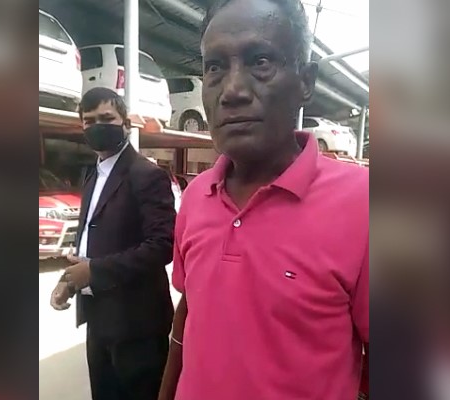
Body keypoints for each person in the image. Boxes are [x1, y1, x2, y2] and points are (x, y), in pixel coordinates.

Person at [157, 1, 369, 400]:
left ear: (306, 81)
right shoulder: (197, 196)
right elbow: (190, 314)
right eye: (215, 67)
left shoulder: (366, 205)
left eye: (261, 62)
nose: (232, 90)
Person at [50, 87, 176, 400]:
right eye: (90, 121)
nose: (98, 126)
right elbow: (89, 241)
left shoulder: (147, 175)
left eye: (106, 118)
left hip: (138, 327)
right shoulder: (92, 176)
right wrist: (69, 281)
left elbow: (162, 245)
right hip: (99, 321)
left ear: (125, 123)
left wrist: (94, 271)